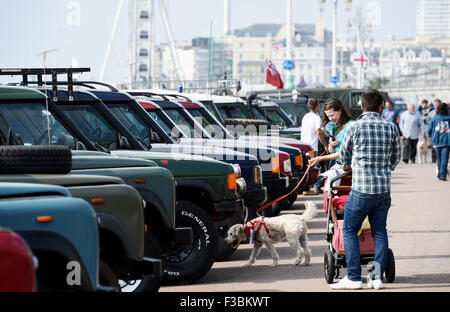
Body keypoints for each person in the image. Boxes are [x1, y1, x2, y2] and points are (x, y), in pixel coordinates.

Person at [330, 90, 401, 290]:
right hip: (382, 190)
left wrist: (352, 165)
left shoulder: (355, 127)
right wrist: (383, 169)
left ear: (361, 107)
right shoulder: (390, 127)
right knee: (379, 232)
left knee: (350, 230)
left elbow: (343, 158)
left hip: (360, 190)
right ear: (380, 108)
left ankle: (353, 277)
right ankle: (376, 278)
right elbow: (396, 157)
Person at [308, 98, 355, 192]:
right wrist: (331, 146)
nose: (331, 118)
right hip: (337, 165)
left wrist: (320, 158)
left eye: (332, 115)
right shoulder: (332, 126)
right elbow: (331, 151)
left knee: (330, 188)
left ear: (340, 110)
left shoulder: (351, 125)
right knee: (329, 191)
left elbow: (343, 153)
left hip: (349, 166)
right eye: (328, 116)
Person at [301, 98, 329, 195]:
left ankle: (308, 188)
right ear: (317, 107)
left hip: (304, 146)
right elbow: (318, 132)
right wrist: (325, 145)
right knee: (316, 168)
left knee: (308, 168)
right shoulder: (316, 118)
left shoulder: (305, 117)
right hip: (312, 147)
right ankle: (315, 187)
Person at [427, 103, 450, 181]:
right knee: (444, 159)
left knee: (439, 159)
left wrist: (430, 136)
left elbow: (429, 130)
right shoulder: (449, 118)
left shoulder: (435, 118)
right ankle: (442, 174)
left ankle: (441, 174)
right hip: (446, 141)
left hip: (436, 141)